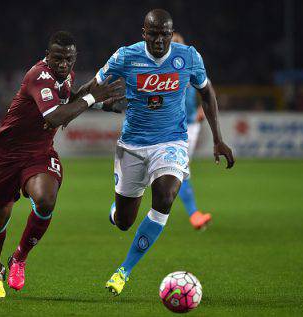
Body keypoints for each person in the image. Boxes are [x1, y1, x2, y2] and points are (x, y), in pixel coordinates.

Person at [95, 9, 235, 295]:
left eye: (165, 34)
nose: (159, 40)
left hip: (171, 141)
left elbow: (207, 92)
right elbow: (96, 87)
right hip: (132, 145)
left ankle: (124, 271)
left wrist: (218, 139)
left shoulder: (189, 57)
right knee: (124, 221)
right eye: (153, 34)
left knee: (165, 195)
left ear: (172, 34)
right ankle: (116, 212)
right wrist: (85, 104)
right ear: (143, 33)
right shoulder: (125, 56)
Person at [0, 31, 123, 298]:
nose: (63, 64)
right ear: (48, 56)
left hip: (39, 154)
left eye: (68, 59)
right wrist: (92, 98)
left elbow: (67, 105)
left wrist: (99, 104)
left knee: (46, 200)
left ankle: (19, 259)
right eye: (57, 58)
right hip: (5, 157)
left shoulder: (65, 77)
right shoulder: (39, 76)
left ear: (74, 58)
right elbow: (56, 116)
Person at [171, 32, 212, 230]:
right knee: (176, 169)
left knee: (180, 170)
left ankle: (194, 213)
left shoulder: (189, 64)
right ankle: (193, 213)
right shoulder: (162, 67)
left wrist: (202, 109)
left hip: (189, 126)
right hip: (169, 126)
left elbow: (207, 90)